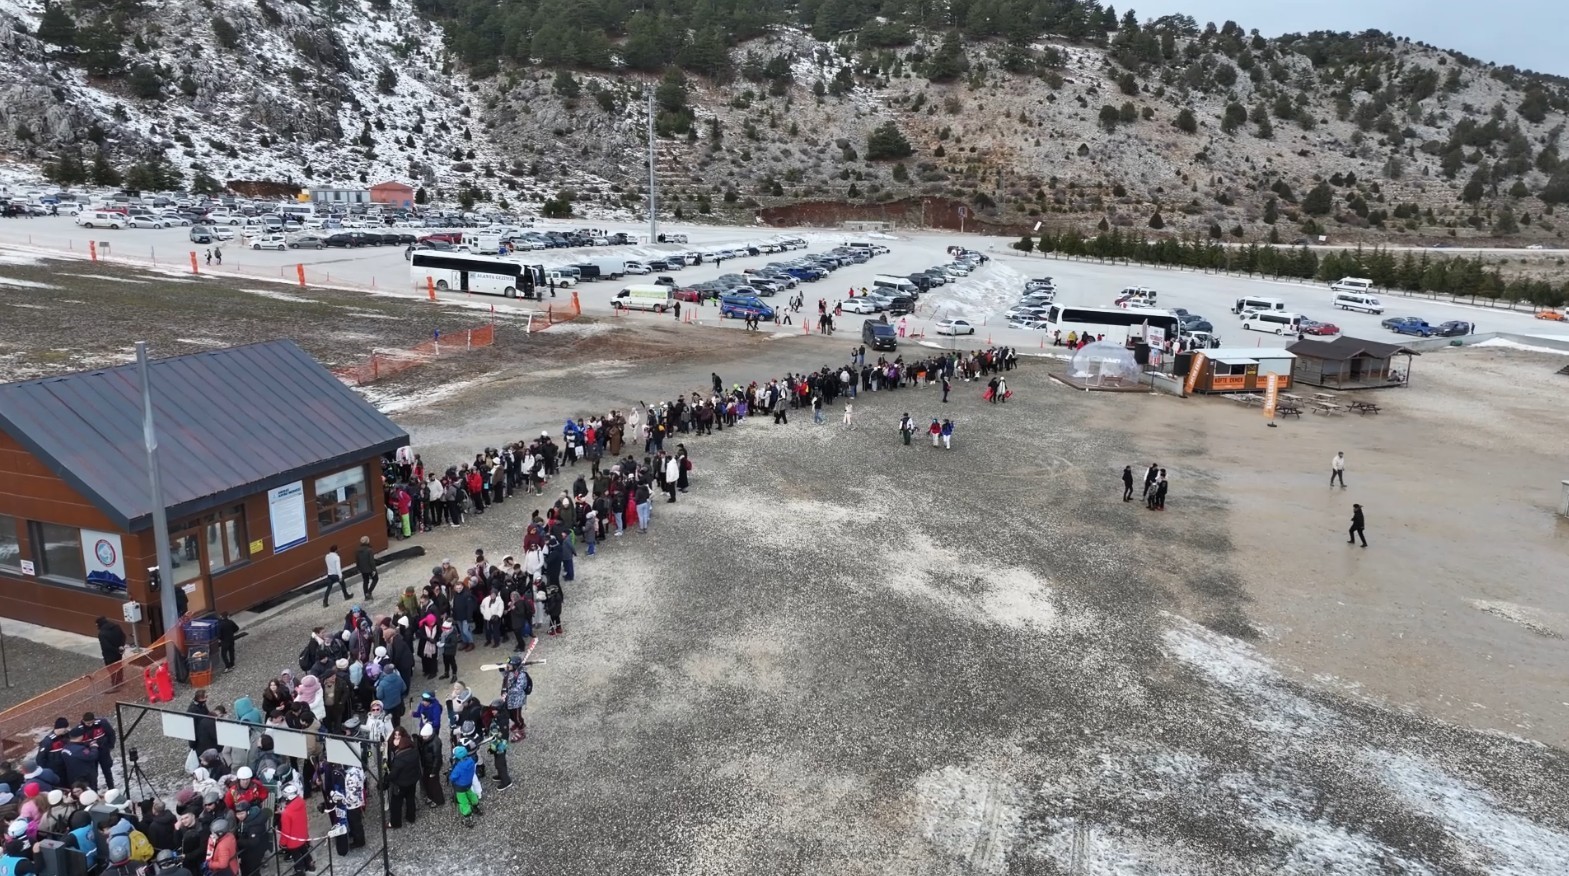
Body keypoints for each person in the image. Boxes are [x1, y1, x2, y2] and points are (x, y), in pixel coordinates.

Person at [448, 746, 481, 825]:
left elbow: (453, 777)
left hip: (460, 786)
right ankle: (475, 805)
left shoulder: (458, 767)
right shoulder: (471, 761)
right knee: (470, 793)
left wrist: (450, 774)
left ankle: (467, 817)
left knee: (463, 801)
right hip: (468, 783)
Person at [95, 617, 126, 686]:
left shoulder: (102, 633)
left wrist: (116, 650)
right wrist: (121, 647)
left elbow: (106, 646)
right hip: (119, 653)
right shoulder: (117, 627)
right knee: (119, 666)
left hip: (109, 655)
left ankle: (115, 684)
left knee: (111, 669)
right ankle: (120, 680)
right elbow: (123, 636)